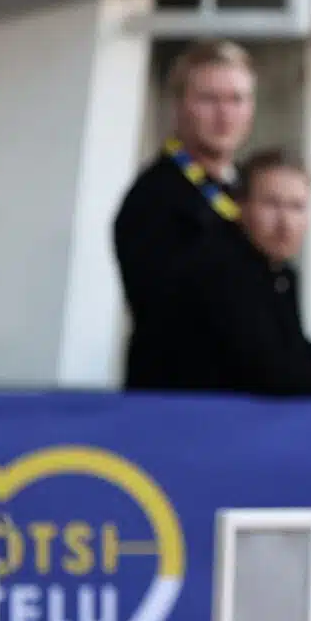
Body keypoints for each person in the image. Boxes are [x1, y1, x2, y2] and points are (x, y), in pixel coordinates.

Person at [117, 41, 257, 391]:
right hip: (179, 399)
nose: (225, 115)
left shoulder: (249, 190)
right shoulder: (154, 198)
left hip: (249, 398)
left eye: (237, 99)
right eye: (209, 99)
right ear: (178, 105)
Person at [175, 149, 311, 397]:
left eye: (297, 207)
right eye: (271, 204)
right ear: (240, 206)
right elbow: (273, 372)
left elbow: (296, 351)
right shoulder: (221, 270)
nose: (286, 223)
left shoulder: (282, 273)